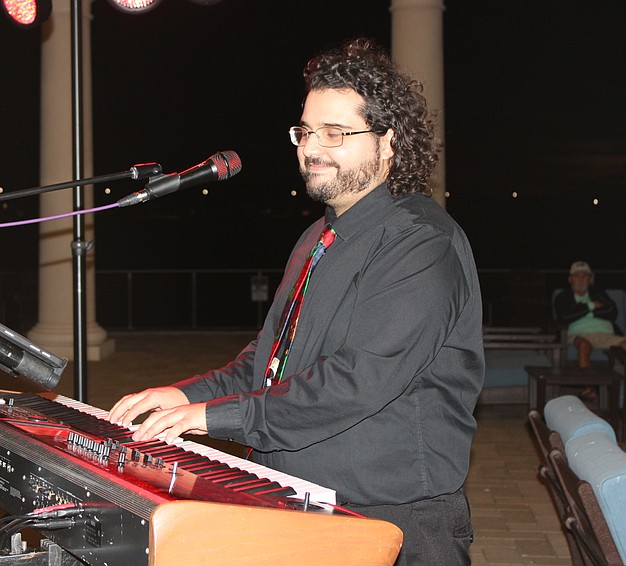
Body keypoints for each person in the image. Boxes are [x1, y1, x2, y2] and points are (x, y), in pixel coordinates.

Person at [108, 38, 484, 565]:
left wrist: (211, 418)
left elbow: (356, 381)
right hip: (298, 501)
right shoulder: (317, 238)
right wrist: (184, 395)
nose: (311, 148)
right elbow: (270, 361)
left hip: (392, 519)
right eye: (305, 131)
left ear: (388, 142)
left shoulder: (420, 243)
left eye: (335, 133)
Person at [553, 260, 626, 373]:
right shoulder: (563, 297)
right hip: (581, 335)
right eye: (577, 276)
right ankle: (588, 384)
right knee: (584, 346)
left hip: (607, 335)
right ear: (570, 279)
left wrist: (584, 312)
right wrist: (591, 306)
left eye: (584, 276)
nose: (581, 279)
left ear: (590, 279)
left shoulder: (599, 293)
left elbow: (612, 312)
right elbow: (564, 316)